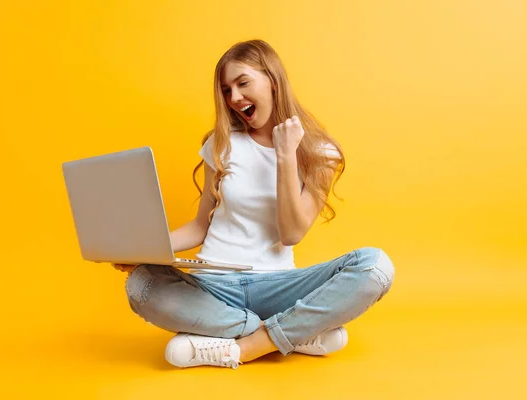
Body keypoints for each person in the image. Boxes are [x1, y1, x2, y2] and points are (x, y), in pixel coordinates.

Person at [113, 39, 395, 369]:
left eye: (243, 83)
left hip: (280, 286)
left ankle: (241, 346)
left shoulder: (320, 152)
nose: (234, 98)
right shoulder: (221, 144)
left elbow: (291, 233)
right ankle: (287, 333)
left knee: (376, 266)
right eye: (226, 90)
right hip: (212, 286)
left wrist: (286, 153)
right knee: (141, 284)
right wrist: (141, 248)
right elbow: (199, 227)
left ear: (273, 80)